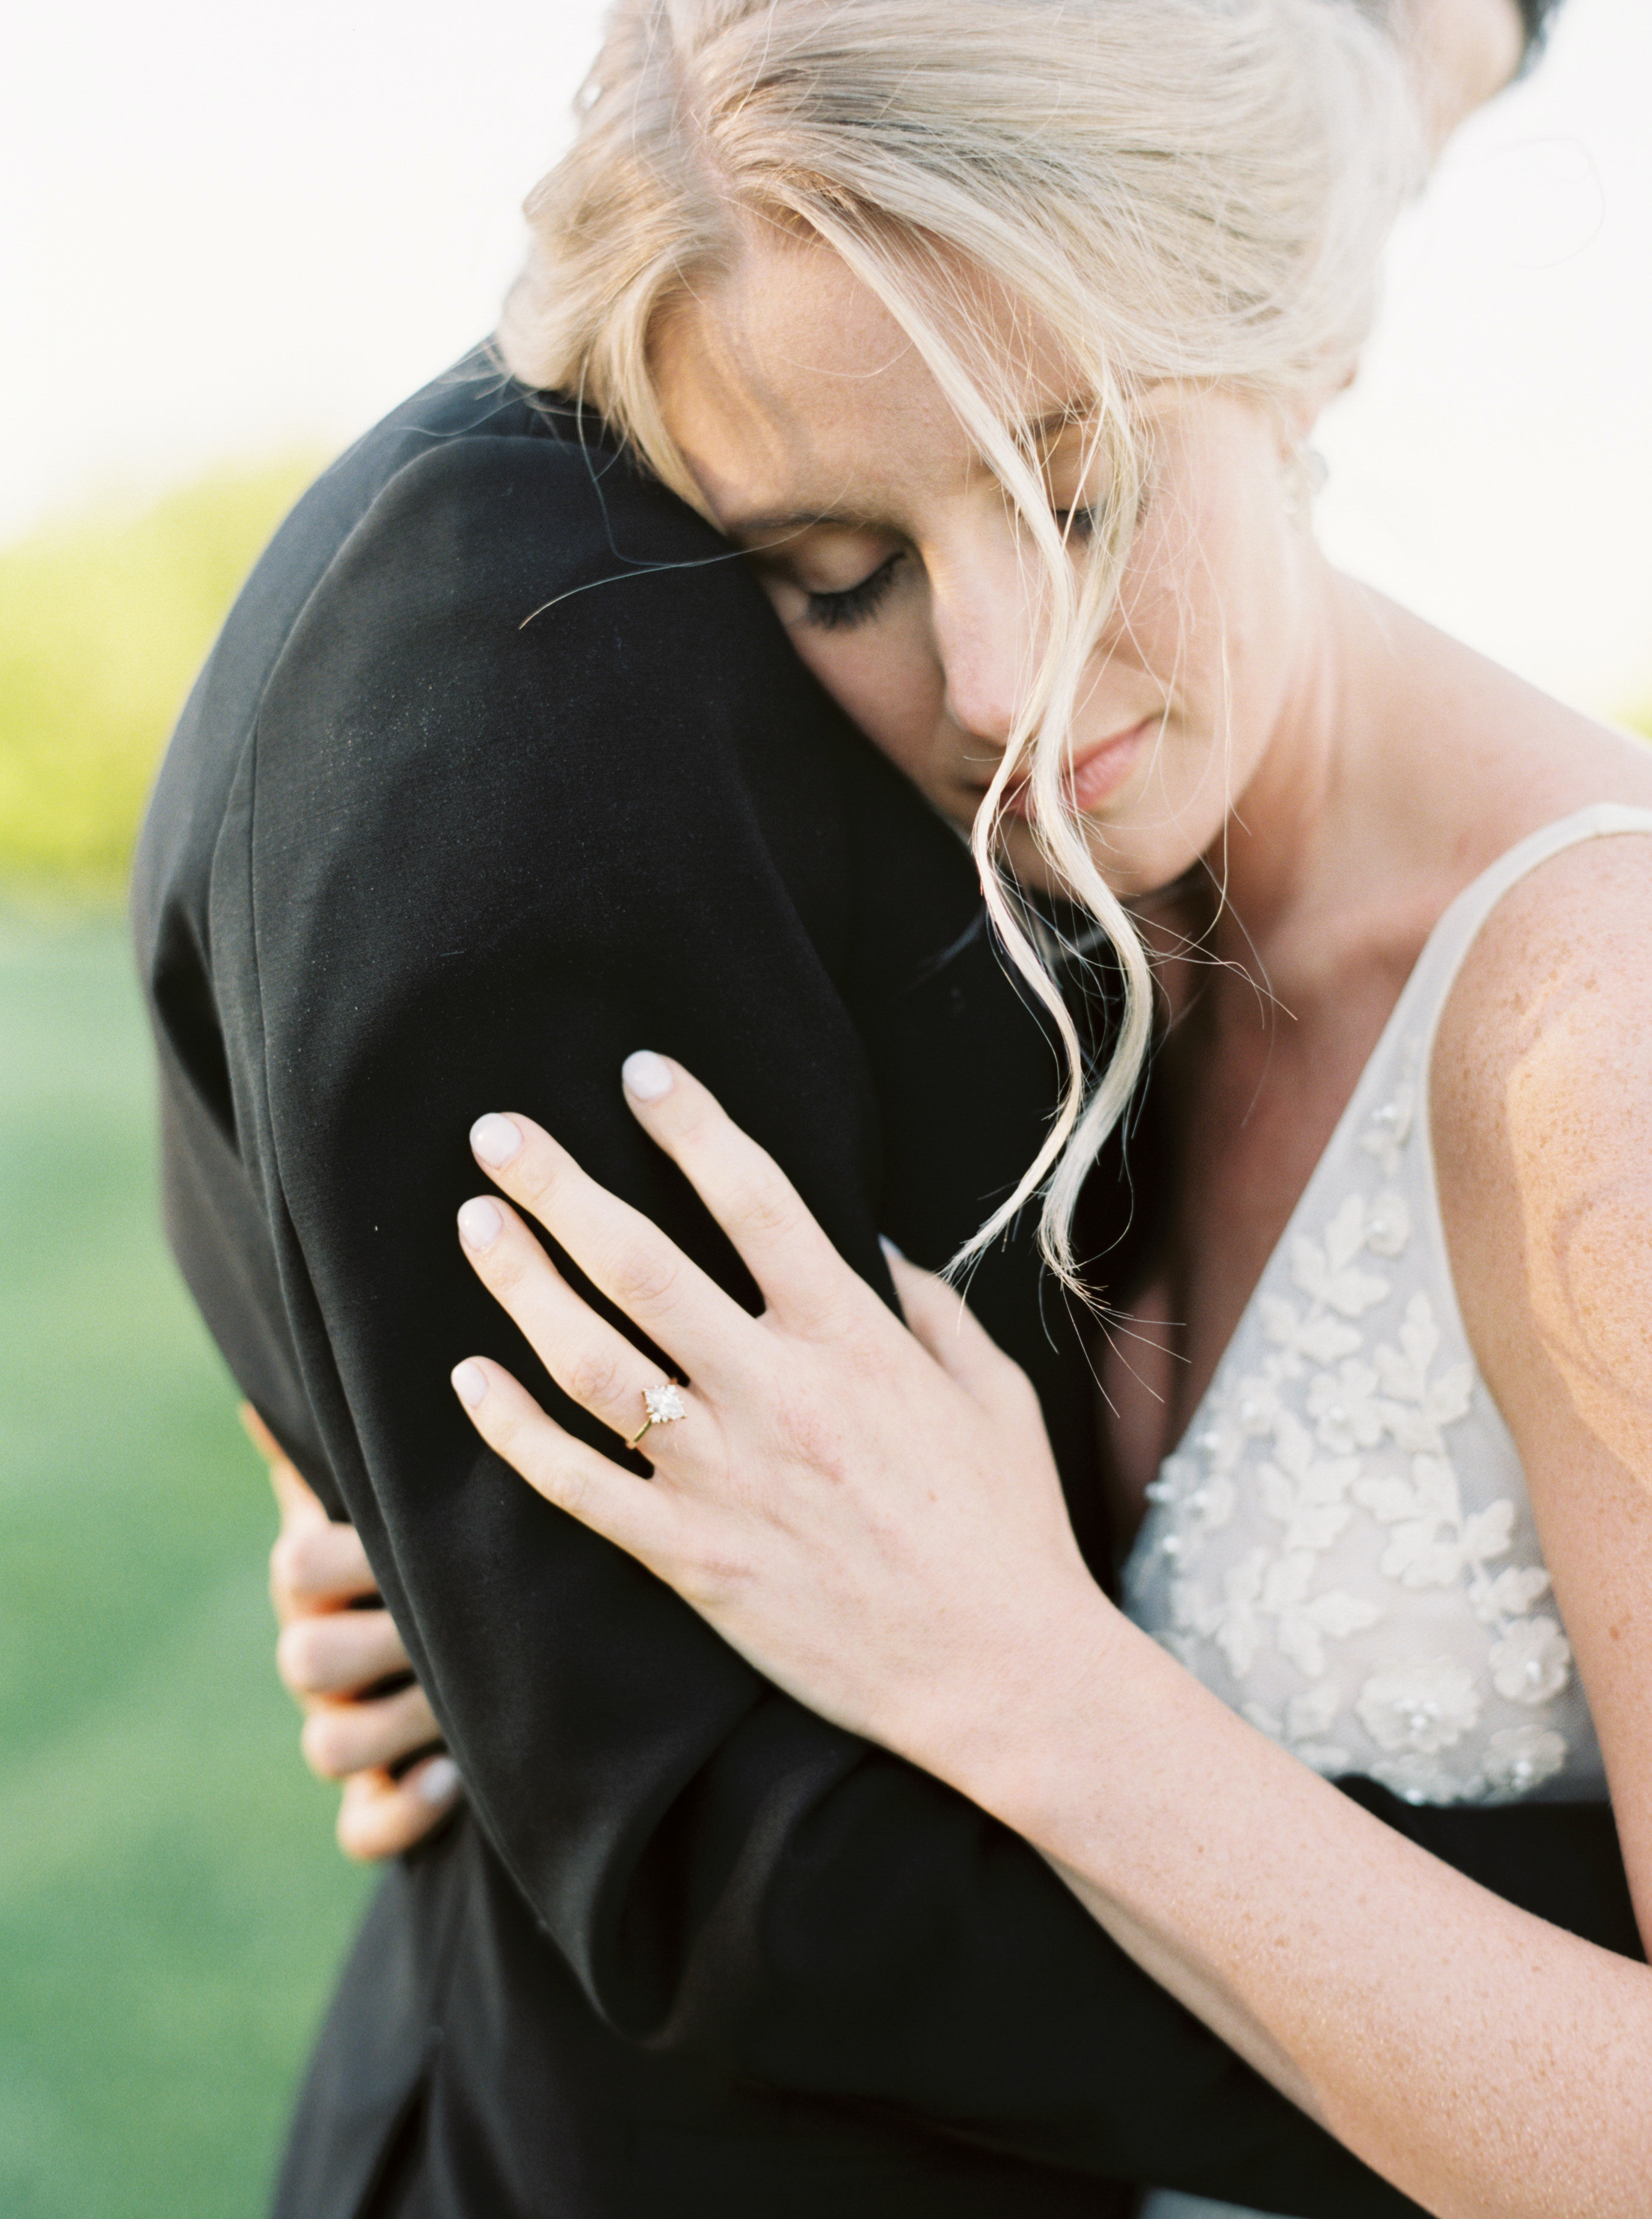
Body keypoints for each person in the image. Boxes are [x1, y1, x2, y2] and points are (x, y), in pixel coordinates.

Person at [135, 1, 1616, 2215]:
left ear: (1302, 337)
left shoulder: (1591, 1036)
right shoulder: (1063, 904)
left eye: (1078, 487)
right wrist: (484, 1592)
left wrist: (1027, 1677)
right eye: (843, 571)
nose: (999, 687)